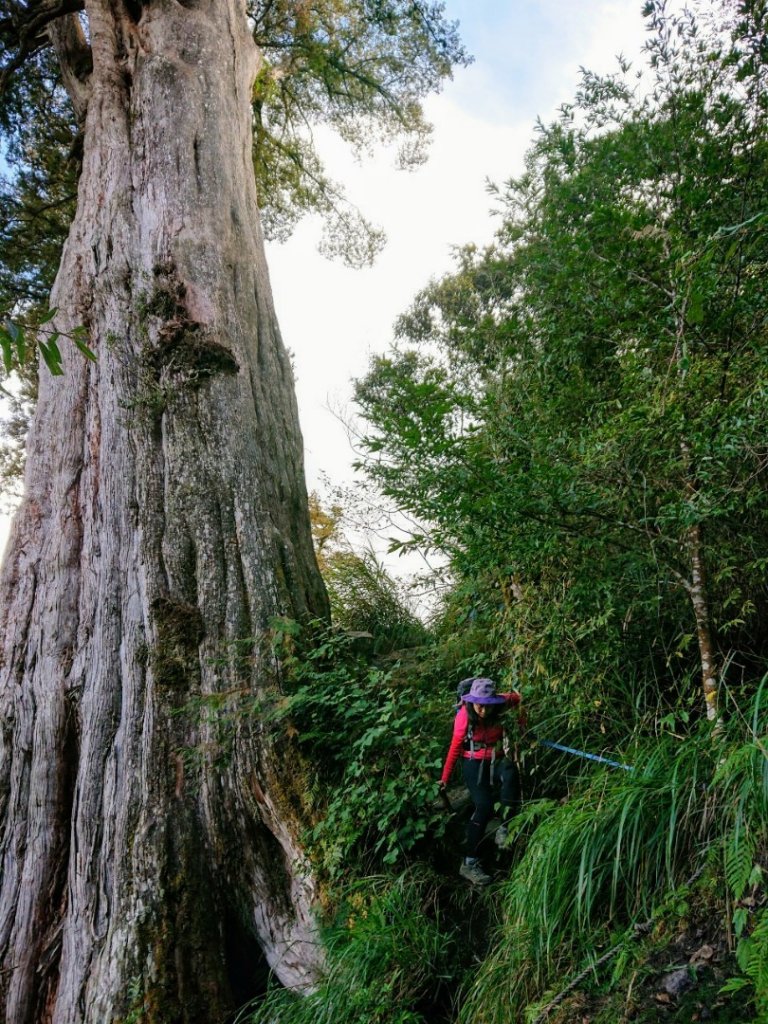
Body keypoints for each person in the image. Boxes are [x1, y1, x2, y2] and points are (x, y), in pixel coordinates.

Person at [438, 676, 525, 885]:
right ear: (472, 701)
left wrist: (522, 727)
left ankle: (504, 829)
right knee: (483, 806)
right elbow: (454, 748)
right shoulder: (464, 717)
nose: (483, 711)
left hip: (496, 759)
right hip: (473, 762)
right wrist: (445, 779)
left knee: (511, 773)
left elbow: (521, 699)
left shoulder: (503, 702)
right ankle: (469, 863)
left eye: (487, 706)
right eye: (479, 706)